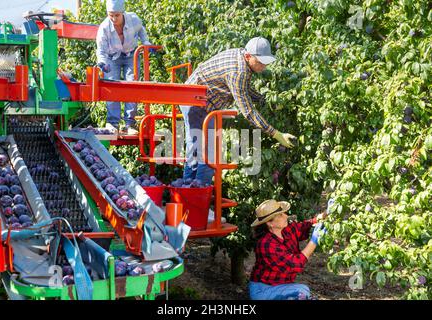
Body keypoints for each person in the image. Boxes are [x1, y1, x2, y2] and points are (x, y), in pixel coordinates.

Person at [179, 37, 297, 185]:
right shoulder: (238, 71)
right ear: (248, 56)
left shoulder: (241, 58)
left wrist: (264, 100)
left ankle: (190, 191)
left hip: (200, 102)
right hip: (196, 103)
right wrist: (276, 133)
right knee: (207, 155)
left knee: (200, 151)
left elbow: (244, 90)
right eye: (261, 62)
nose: (264, 66)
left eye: (266, 62)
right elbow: (247, 111)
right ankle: (196, 196)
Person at [248, 199, 328, 300]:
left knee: (303, 291)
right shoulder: (266, 244)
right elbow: (296, 264)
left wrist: (325, 214)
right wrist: (314, 241)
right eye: (280, 215)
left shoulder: (286, 230)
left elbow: (306, 226)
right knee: (302, 292)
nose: (286, 216)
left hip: (281, 285)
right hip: (264, 289)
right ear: (270, 223)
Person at [96, 0, 153, 135]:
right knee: (111, 87)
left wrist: (146, 43)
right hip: (112, 57)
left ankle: (129, 123)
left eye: (117, 15)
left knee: (132, 85)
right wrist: (103, 63)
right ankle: (113, 123)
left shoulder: (133, 19)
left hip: (131, 55)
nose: (114, 19)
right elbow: (101, 51)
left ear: (123, 13)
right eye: (111, 15)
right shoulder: (104, 28)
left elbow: (141, 30)